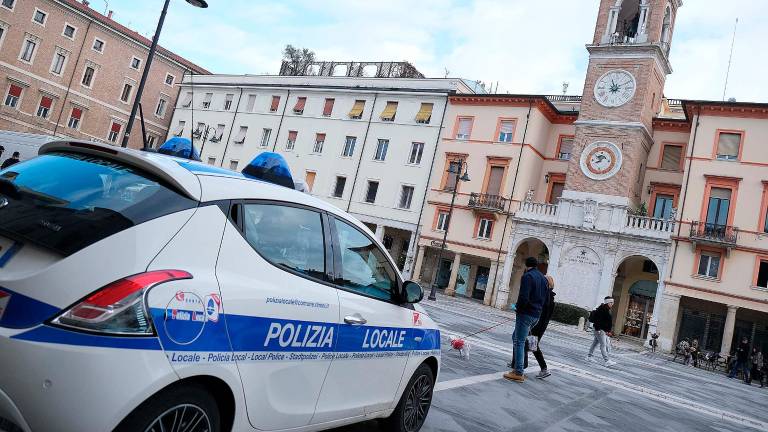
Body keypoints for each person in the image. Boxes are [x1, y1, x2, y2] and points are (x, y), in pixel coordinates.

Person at [503, 256, 548, 383]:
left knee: (519, 341)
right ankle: (519, 366)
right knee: (516, 337)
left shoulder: (528, 277)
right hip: (536, 315)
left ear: (526, 265)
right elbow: (544, 298)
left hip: (526, 313)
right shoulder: (543, 278)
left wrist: (519, 309)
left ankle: (518, 372)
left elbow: (523, 296)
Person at [587, 296, 617, 367]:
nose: (612, 304)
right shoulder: (603, 309)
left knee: (595, 343)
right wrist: (598, 329)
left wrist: (607, 330)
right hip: (600, 330)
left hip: (601, 329)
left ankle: (589, 356)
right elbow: (598, 320)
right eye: (611, 302)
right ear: (607, 302)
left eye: (612, 302)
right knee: (603, 345)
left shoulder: (606, 309)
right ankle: (607, 361)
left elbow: (605, 321)